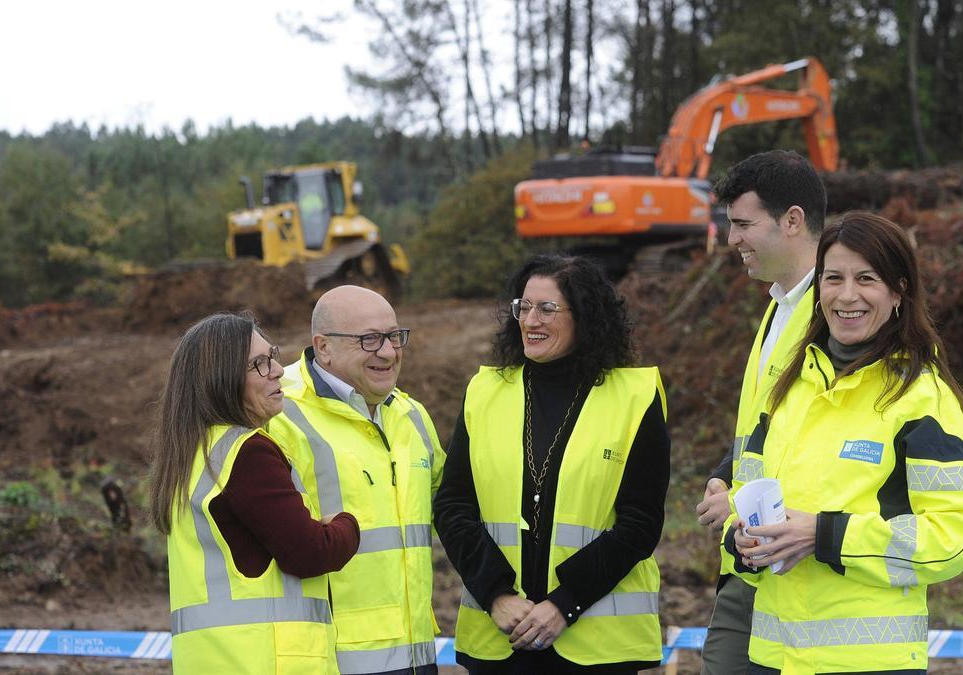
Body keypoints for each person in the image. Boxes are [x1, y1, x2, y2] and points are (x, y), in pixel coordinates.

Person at [727, 212, 963, 674]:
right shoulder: (788, 387)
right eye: (833, 278)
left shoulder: (922, 399)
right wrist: (740, 536)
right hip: (771, 657)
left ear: (898, 290)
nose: (847, 295)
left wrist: (825, 535)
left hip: (868, 661)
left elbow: (953, 538)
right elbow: (744, 492)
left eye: (866, 278)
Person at [434, 254, 671, 674]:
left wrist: (565, 604)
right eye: (523, 308)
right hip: (500, 639)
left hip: (597, 649)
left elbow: (640, 523)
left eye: (546, 309)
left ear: (584, 316)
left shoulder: (635, 397)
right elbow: (453, 507)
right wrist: (497, 595)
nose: (530, 321)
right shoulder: (484, 391)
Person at [146, 312, 360, 674]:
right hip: (270, 661)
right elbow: (309, 553)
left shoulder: (193, 454)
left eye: (272, 355)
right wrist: (346, 524)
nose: (277, 370)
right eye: (258, 364)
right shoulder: (248, 452)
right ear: (222, 380)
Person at [267, 285, 446, 675]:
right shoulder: (279, 415)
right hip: (332, 660)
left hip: (416, 655)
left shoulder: (410, 415)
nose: (388, 351)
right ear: (324, 347)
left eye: (395, 337)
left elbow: (453, 512)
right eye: (369, 339)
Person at [696, 150, 826, 675]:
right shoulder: (779, 305)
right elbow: (767, 429)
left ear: (792, 221)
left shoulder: (838, 317)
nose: (732, 240)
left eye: (744, 224)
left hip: (800, 570)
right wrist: (727, 477)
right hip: (750, 563)